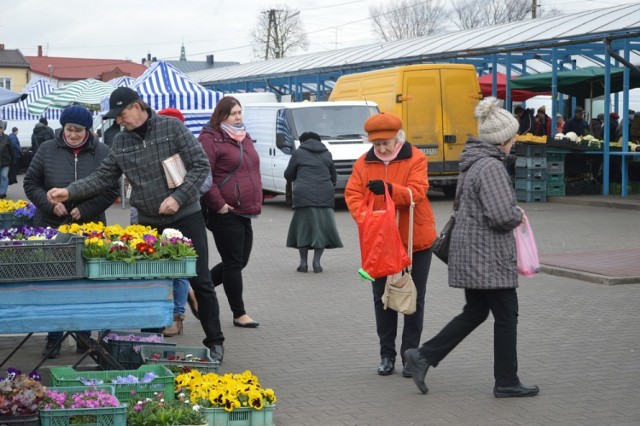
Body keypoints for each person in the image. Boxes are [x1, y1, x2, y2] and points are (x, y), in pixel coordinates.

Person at [46, 87, 226, 362]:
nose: (119, 121)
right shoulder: (120, 142)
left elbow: (201, 166)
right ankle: (149, 342)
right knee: (151, 282)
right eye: (116, 117)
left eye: (121, 114)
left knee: (200, 280)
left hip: (186, 216)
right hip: (149, 222)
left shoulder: (172, 128)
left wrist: (178, 198)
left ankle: (215, 341)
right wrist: (69, 192)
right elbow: (102, 177)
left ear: (137, 107)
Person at [404, 97, 540, 399]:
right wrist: (518, 213)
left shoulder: (473, 161)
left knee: (476, 311)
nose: (515, 140)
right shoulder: (491, 167)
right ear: (504, 138)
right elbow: (501, 215)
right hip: (487, 257)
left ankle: (423, 356)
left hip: (472, 253)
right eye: (514, 135)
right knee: (506, 316)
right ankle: (506, 381)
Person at [345, 112, 436, 378]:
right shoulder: (363, 163)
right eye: (376, 144)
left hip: (414, 241)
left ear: (398, 137)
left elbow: (417, 192)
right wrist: (368, 217)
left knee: (412, 297)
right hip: (380, 242)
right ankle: (386, 354)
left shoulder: (416, 157)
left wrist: (388, 188)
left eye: (386, 142)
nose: (381, 148)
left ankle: (410, 355)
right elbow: (352, 195)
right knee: (382, 299)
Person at [24, 105, 119, 358]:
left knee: (87, 281)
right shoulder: (47, 149)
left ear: (88, 130)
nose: (73, 134)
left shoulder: (102, 152)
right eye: (69, 129)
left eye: (78, 130)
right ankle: (54, 336)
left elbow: (111, 189)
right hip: (51, 225)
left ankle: (84, 337)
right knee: (55, 281)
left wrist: (86, 209)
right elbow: (31, 183)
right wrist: (48, 204)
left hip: (90, 226)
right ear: (62, 128)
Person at [128, 107, 211, 337]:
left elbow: (205, 180)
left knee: (182, 273)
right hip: (146, 217)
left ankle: (177, 316)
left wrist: (179, 189)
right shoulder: (141, 146)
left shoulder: (189, 147)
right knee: (157, 276)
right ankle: (155, 327)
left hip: (183, 215)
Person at [199, 96, 262, 329]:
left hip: (245, 209)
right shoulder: (210, 139)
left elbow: (251, 169)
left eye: (239, 112)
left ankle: (198, 290)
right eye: (233, 113)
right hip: (224, 211)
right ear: (222, 114)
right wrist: (219, 204)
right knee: (233, 263)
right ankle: (239, 313)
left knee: (239, 261)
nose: (238, 116)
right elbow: (205, 176)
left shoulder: (244, 137)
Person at [284, 131, 343, 273]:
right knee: (321, 229)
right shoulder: (327, 153)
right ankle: (317, 263)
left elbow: (288, 175)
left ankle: (303, 264)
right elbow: (333, 176)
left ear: (303, 142)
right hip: (325, 194)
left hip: (303, 195)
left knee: (303, 229)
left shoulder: (298, 153)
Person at [0, 122, 13, 199]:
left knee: (4, 176)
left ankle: (2, 193)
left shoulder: (7, 138)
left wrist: (14, 160)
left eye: (0, 128)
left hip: (5, 161)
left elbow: (11, 149)